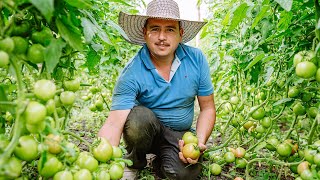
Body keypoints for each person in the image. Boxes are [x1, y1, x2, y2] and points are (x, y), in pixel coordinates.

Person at [98, 0, 216, 179]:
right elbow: (114, 123)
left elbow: (207, 108)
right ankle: (135, 161)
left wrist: (198, 142)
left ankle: (163, 161)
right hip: (146, 132)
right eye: (154, 29)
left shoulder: (196, 59)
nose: (162, 36)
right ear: (145, 33)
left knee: (183, 175)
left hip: (180, 137)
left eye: (170, 29)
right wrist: (100, 160)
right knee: (139, 119)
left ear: (180, 34)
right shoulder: (132, 71)